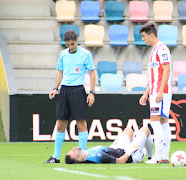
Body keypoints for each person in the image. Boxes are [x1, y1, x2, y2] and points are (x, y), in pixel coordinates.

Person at [44, 30, 96, 163]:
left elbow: (92, 73)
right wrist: (55, 88)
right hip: (64, 91)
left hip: (78, 91)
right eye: (68, 45)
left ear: (77, 40)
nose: (71, 47)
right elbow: (60, 73)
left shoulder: (85, 54)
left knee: (81, 123)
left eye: (72, 44)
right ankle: (56, 157)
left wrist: (92, 92)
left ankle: (82, 156)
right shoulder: (62, 55)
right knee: (60, 123)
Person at [139, 22, 173, 164]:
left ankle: (158, 156)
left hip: (161, 91)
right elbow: (154, 77)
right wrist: (146, 93)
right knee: (163, 121)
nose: (143, 39)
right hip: (155, 91)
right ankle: (164, 156)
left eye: (144, 36)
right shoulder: (154, 50)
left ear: (151, 35)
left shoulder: (162, 49)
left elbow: (166, 70)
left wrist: (160, 91)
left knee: (155, 122)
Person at [65, 126, 154, 164]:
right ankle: (150, 158)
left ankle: (140, 148)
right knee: (145, 130)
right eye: (73, 151)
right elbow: (120, 162)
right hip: (129, 155)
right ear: (80, 159)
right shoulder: (99, 156)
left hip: (116, 148)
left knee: (128, 130)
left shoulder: (87, 153)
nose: (73, 148)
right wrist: (130, 151)